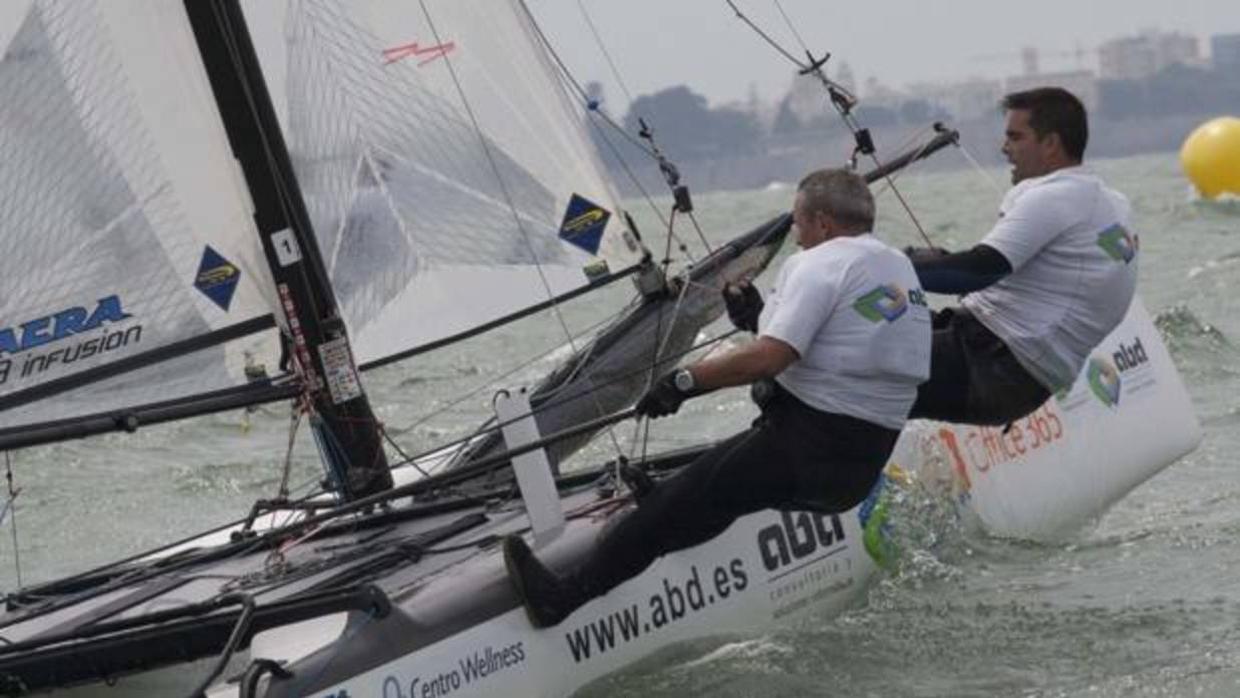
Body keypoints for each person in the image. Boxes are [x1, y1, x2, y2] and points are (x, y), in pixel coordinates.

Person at [503, 168, 931, 628]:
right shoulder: (895, 269)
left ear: (823, 223)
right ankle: (673, 509)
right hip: (860, 465)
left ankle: (562, 599)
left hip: (808, 445)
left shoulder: (820, 262)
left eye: (799, 224)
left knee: (681, 501)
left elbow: (768, 359)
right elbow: (843, 344)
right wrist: (758, 316)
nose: (798, 238)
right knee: (720, 492)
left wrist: (683, 382)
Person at [905, 87, 1138, 426]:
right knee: (863, 326)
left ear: (1050, 144)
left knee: (854, 363)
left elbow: (979, 271)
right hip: (1014, 370)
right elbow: (1041, 277)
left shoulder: (1055, 197)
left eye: (1015, 137)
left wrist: (888, 268)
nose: (1004, 148)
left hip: (993, 364)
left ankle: (841, 474)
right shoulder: (1111, 203)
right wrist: (935, 261)